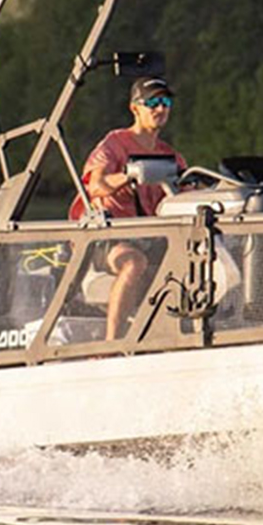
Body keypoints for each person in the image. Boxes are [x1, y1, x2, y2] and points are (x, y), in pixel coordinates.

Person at [80, 76, 187, 340]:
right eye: (152, 102)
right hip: (109, 235)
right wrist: (129, 175)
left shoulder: (171, 155)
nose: (160, 109)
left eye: (165, 102)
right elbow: (96, 185)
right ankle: (112, 344)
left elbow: (188, 192)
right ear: (135, 108)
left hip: (154, 235)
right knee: (134, 262)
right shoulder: (114, 143)